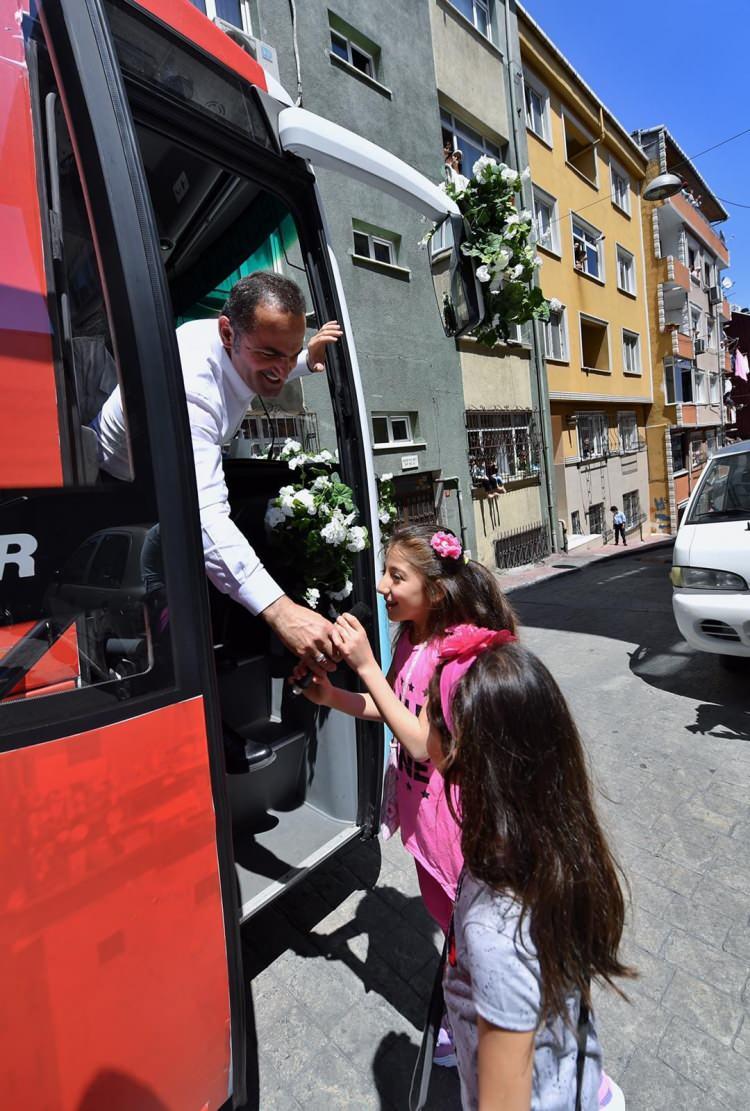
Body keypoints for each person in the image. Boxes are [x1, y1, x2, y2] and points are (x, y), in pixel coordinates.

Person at [296, 524, 517, 1067]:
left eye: (396, 576)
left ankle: (491, 1029)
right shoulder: (410, 640)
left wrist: (364, 666)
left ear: (435, 591)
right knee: (450, 925)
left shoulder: (455, 652)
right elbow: (394, 707)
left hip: (455, 827)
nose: (381, 586)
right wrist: (333, 696)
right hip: (423, 821)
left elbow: (420, 742)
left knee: (472, 934)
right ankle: (468, 1012)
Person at [425, 627, 633, 1110]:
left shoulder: (497, 932)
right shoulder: (549, 846)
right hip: (570, 1072)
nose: (420, 725)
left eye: (431, 715)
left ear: (460, 753)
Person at [93, 272, 343, 674]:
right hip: (116, 487)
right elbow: (203, 514)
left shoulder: (243, 345)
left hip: (158, 472)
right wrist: (281, 611)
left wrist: (305, 360)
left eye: (291, 352)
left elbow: (271, 363)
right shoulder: (192, 385)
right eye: (270, 353)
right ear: (228, 332)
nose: (281, 368)